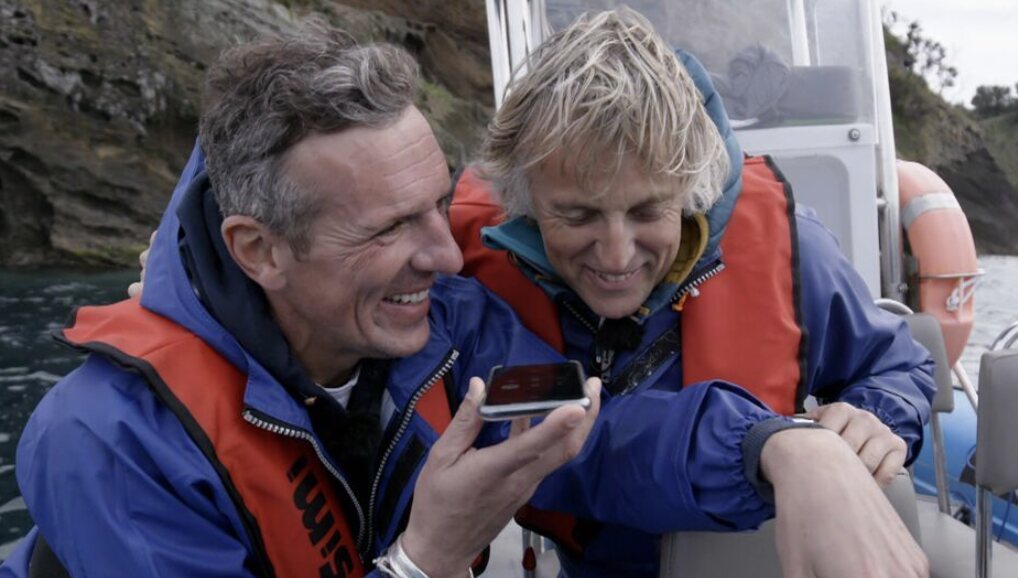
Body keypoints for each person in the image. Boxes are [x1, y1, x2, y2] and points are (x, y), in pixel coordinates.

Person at [2, 16, 926, 578]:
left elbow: (593, 431)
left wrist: (782, 449)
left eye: (438, 207)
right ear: (261, 252)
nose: (449, 255)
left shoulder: (446, 332)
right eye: (388, 229)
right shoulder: (111, 446)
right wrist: (426, 558)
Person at [449, 8, 935, 578]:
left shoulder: (794, 248)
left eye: (648, 210)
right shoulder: (482, 286)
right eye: (577, 214)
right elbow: (577, 440)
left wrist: (875, 419)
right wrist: (770, 447)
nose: (615, 254)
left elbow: (896, 364)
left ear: (691, 189)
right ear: (525, 196)